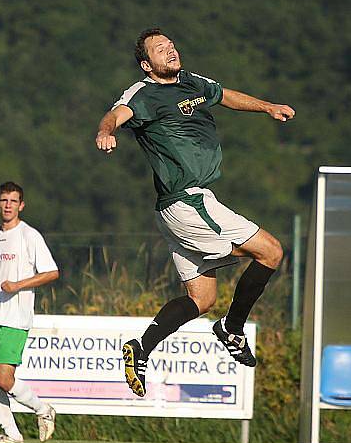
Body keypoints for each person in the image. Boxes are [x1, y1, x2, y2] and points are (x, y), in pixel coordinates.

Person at [95, 28, 295, 397]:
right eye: (160, 48)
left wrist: (267, 106)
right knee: (271, 251)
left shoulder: (191, 81)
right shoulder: (143, 94)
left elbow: (224, 96)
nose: (170, 49)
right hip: (189, 201)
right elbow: (114, 114)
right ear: (146, 64)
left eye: (171, 44)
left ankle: (141, 348)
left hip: (177, 207)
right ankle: (233, 328)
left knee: (202, 300)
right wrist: (106, 132)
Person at [0, 182, 59, 443]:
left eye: (13, 201)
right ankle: (12, 434)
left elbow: (52, 272)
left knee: (3, 377)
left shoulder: (29, 235)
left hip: (15, 318)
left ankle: (43, 410)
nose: (8, 205)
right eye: (3, 200)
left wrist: (18, 285)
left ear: (21, 205)